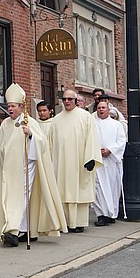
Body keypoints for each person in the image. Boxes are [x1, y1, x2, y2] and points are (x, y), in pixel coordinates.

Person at [0, 84, 66, 246]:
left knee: (20, 199)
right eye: (8, 106)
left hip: (24, 169)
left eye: (13, 106)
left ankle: (13, 231)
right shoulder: (5, 124)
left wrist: (31, 136)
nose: (10, 109)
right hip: (8, 170)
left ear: (21, 107)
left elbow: (42, 144)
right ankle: (22, 230)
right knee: (10, 198)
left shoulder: (29, 122)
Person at [48, 89, 103, 233]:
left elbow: (91, 137)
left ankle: (79, 222)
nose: (66, 101)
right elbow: (50, 142)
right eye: (64, 99)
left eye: (70, 99)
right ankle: (64, 221)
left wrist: (91, 157)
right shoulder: (56, 120)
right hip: (61, 163)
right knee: (62, 191)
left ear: (76, 101)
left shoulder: (85, 117)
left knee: (79, 191)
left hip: (80, 162)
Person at [92, 100, 126, 226]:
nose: (101, 110)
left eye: (103, 108)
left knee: (112, 186)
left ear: (108, 109)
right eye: (99, 108)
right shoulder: (92, 124)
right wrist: (96, 151)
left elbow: (121, 141)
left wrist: (110, 150)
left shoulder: (116, 125)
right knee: (99, 188)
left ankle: (112, 213)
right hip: (98, 160)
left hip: (112, 160)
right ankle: (101, 214)